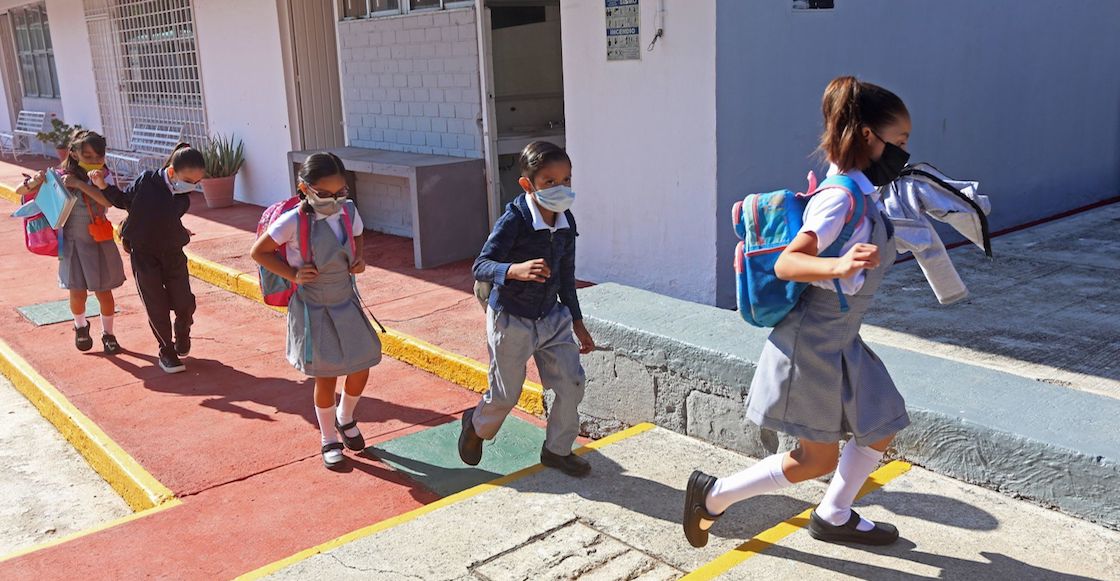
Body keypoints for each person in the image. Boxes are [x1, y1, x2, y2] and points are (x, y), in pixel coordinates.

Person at [683, 76, 912, 547]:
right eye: (901, 140)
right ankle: (713, 496)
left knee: (882, 424)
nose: (905, 150)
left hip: (842, 337)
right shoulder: (839, 197)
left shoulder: (862, 189)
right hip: (811, 343)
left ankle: (833, 514)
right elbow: (789, 262)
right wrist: (839, 264)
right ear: (869, 136)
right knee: (816, 459)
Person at [459, 141, 596, 477]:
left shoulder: (566, 221)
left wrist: (577, 323)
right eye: (550, 181)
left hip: (552, 317)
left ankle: (557, 450)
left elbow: (566, 276)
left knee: (571, 384)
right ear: (528, 184)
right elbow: (481, 265)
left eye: (566, 179)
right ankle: (476, 426)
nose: (560, 188)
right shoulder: (515, 219)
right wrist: (513, 270)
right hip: (511, 318)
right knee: (506, 395)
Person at [250, 152, 380, 470]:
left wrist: (358, 259)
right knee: (326, 377)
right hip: (314, 306)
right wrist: (292, 275)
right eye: (325, 194)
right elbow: (259, 251)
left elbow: (358, 236)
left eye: (340, 192)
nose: (334, 200)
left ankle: (345, 417)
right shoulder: (292, 220)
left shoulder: (348, 212)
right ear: (304, 188)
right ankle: (328, 438)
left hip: (345, 300)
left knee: (361, 365)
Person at [91, 143, 201, 373]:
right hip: (144, 253)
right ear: (172, 172)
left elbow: (167, 218)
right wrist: (103, 185)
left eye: (196, 182)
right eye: (189, 180)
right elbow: (124, 201)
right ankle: (167, 351)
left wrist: (178, 231)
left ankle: (183, 331)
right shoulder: (147, 181)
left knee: (184, 302)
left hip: (172, 253)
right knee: (155, 304)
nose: (191, 186)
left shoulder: (183, 198)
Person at [47, 130, 126, 354]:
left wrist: (81, 185)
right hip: (73, 242)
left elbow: (107, 202)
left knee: (104, 292)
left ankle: (108, 334)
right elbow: (46, 204)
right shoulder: (60, 175)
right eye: (88, 156)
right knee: (77, 293)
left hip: (99, 241)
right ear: (73, 153)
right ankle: (80, 326)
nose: (94, 161)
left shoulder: (104, 175)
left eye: (98, 157)